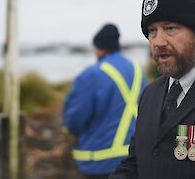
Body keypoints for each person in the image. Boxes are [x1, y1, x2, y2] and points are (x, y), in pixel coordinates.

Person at [108, 0, 195, 179]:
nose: (158, 42)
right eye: (152, 31)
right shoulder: (151, 94)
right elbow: (135, 162)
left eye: (170, 28)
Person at [63, 23, 146, 179]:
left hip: (99, 162)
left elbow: (74, 119)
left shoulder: (92, 74)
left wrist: (70, 131)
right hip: (133, 159)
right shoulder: (138, 71)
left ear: (99, 47)